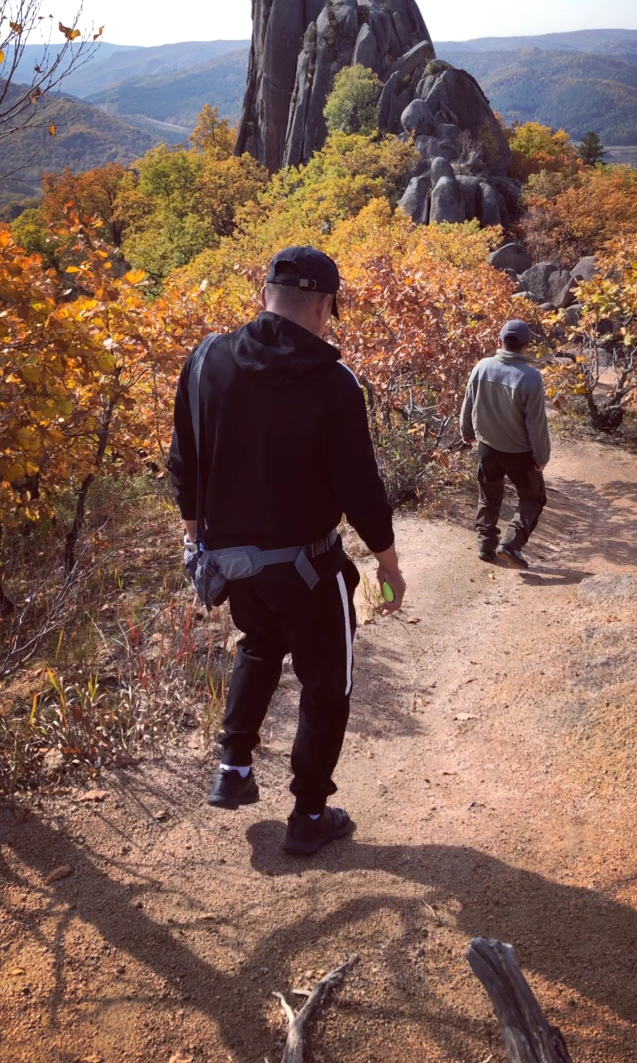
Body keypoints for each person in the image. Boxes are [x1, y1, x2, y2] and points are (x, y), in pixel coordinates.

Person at [167, 246, 405, 854]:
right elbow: (360, 485)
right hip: (308, 570)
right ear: (325, 305)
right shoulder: (333, 381)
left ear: (263, 291)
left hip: (234, 566)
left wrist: (194, 537)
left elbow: (183, 461)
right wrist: (388, 564)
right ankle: (308, 815)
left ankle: (234, 768)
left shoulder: (205, 362)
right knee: (328, 683)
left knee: (258, 645)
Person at [460, 318, 550, 569]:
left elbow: (468, 402)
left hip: (487, 449)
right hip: (519, 454)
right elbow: (536, 424)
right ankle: (510, 544)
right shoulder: (530, 378)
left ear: (498, 342)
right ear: (525, 346)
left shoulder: (481, 367)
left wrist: (466, 431)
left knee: (489, 498)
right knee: (533, 499)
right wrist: (541, 457)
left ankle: (485, 547)